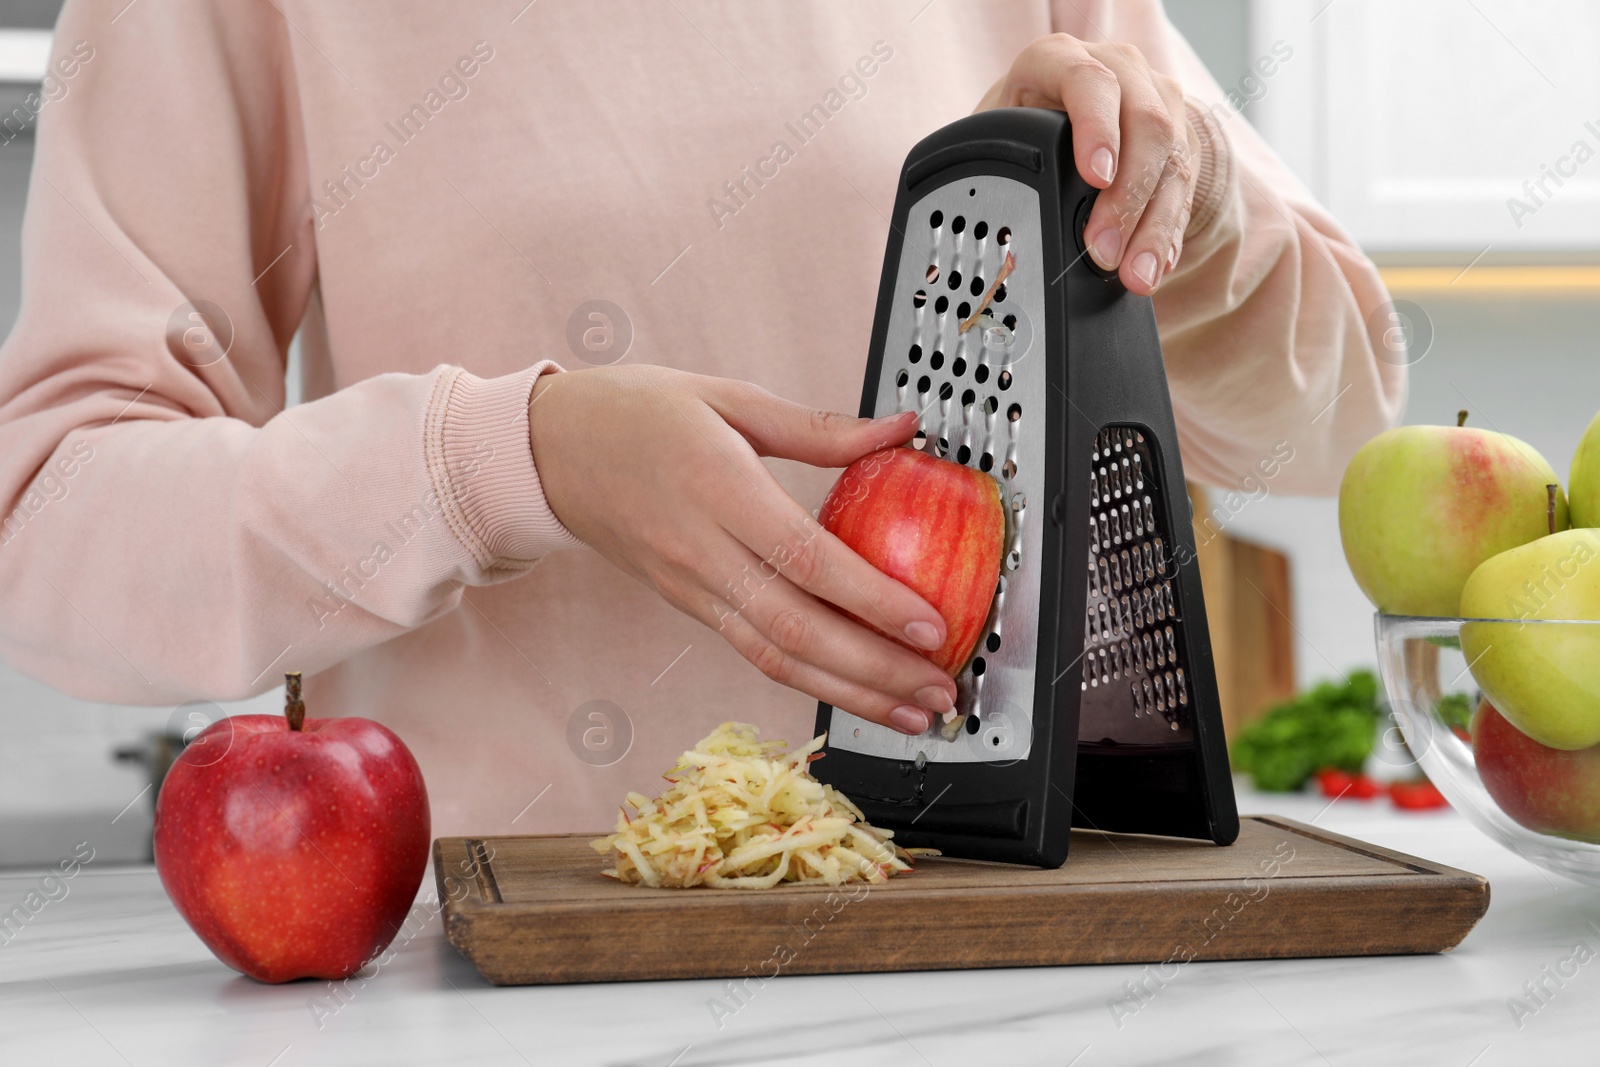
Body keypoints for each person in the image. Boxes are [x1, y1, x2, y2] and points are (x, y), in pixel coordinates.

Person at [0, 1, 1404, 836]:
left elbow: (1340, 420)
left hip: (1003, 961)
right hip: (530, 989)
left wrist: (1189, 204)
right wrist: (508, 464)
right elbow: (51, 517)